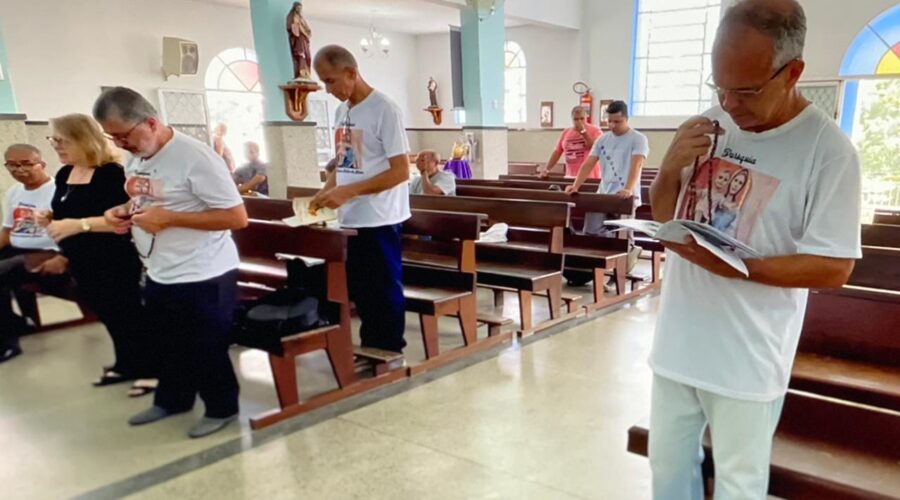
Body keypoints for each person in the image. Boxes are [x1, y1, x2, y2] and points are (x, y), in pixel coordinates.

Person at [647, 1, 861, 498]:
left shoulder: (828, 152)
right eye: (718, 86)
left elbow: (834, 267)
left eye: (745, 90)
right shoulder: (710, 120)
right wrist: (669, 166)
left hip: (748, 356)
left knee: (740, 485)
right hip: (678, 342)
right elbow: (666, 215)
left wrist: (738, 268)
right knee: (667, 472)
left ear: (793, 73)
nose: (729, 102)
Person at [95, 87, 248, 438]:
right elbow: (143, 196)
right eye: (112, 137)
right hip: (161, 267)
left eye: (124, 135)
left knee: (204, 344)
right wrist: (120, 211)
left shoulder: (196, 157)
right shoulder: (139, 155)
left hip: (205, 271)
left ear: (150, 122)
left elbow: (237, 217)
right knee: (167, 340)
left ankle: (222, 407)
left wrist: (170, 220)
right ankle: (173, 399)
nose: (120, 144)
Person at [41, 114, 157, 396]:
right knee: (107, 313)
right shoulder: (65, 174)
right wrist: (50, 217)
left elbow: (125, 220)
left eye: (61, 140)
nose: (56, 146)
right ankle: (126, 363)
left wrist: (76, 225)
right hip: (81, 258)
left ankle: (151, 369)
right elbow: (67, 211)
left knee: (128, 314)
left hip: (112, 257)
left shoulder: (111, 174)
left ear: (83, 139)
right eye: (53, 139)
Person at [310, 45, 410, 354]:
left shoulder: (385, 109)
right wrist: (325, 191)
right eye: (324, 83)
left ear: (351, 73)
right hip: (351, 218)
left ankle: (390, 349)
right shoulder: (343, 112)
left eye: (331, 81)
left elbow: (400, 172)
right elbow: (344, 164)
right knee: (363, 290)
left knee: (383, 289)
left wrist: (349, 191)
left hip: (381, 218)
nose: (328, 90)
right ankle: (370, 347)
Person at [0, 144, 68, 363]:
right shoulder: (13, 192)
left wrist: (64, 256)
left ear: (42, 164)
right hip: (18, 248)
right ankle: (16, 323)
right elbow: (8, 231)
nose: (19, 170)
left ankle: (7, 343)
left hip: (48, 251)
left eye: (26, 164)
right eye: (12, 165)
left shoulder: (59, 189)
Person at [566, 100, 648, 271]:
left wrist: (628, 188)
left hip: (626, 196)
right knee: (592, 230)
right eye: (609, 121)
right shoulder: (602, 139)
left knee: (624, 235)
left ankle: (625, 260)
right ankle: (605, 265)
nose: (612, 125)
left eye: (617, 121)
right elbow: (589, 163)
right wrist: (576, 186)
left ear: (626, 119)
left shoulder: (638, 139)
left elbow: (637, 164)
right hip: (604, 193)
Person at [538, 106, 602, 179]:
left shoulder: (595, 131)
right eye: (576, 119)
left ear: (586, 117)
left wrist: (583, 132)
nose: (579, 121)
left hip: (590, 176)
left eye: (582, 118)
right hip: (570, 176)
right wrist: (546, 169)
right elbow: (557, 152)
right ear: (572, 119)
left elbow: (596, 148)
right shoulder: (566, 132)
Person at [286, 1, 312, 80]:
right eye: (298, 8)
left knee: (307, 57)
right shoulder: (292, 17)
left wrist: (307, 32)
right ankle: (300, 73)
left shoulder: (301, 18)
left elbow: (307, 28)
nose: (299, 10)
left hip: (304, 39)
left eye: (300, 8)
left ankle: (306, 73)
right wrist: (300, 29)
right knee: (300, 55)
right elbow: (292, 28)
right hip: (298, 39)